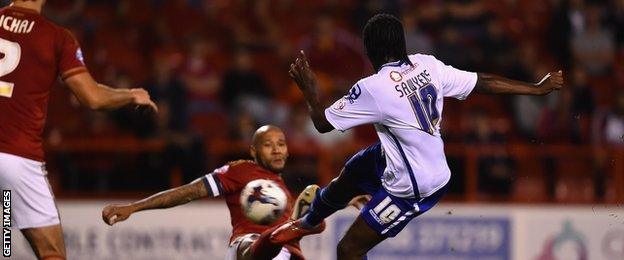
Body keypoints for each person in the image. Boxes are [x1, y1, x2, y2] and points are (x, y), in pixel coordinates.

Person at [270, 14, 564, 259]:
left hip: (413, 185)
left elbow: (322, 124)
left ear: (369, 50)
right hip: (398, 156)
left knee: (348, 249)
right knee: (349, 176)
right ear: (401, 44)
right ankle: (307, 223)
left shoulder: (373, 87)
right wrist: (536, 88)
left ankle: (313, 220)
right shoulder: (428, 65)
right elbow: (482, 82)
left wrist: (310, 91)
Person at [0, 1, 158, 259]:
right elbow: (93, 97)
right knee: (51, 253)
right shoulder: (56, 37)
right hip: (18, 156)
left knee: (3, 242)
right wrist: (131, 95)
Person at [102, 125, 368, 260]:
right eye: (268, 144)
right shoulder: (239, 171)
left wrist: (345, 200)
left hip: (286, 253)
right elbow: (189, 191)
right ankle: (286, 233)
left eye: (281, 144)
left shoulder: (279, 188)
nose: (277, 150)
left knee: (283, 244)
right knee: (250, 247)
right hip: (248, 246)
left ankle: (289, 232)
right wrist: (133, 207)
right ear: (253, 151)